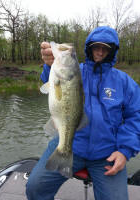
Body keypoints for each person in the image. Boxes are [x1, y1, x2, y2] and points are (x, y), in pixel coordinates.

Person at [26, 26, 140, 200]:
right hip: (71, 142)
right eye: (96, 47)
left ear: (113, 51)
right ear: (89, 47)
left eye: (106, 48)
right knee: (35, 188)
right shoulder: (74, 71)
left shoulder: (125, 82)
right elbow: (53, 82)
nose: (100, 52)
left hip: (107, 153)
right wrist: (49, 66)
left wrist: (125, 151)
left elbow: (136, 117)